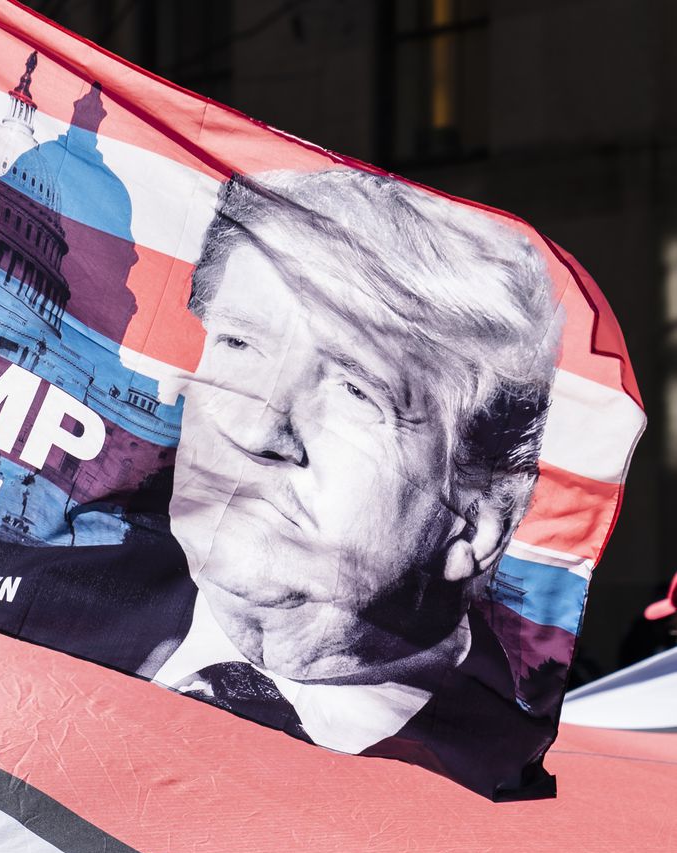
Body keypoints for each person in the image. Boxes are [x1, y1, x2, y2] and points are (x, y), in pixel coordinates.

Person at [141, 168, 564, 798]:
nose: (257, 430)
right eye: (239, 343)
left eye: (356, 390)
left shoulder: (503, 790)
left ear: (478, 523)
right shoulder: (35, 613)